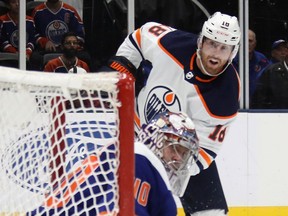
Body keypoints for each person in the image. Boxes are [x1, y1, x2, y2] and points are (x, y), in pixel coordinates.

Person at [108, 12, 241, 215]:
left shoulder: (227, 92)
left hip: (181, 154)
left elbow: (208, 149)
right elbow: (139, 37)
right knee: (127, 200)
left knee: (211, 213)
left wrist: (175, 168)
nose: (216, 53)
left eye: (224, 48)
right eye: (212, 44)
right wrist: (123, 72)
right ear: (201, 41)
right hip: (137, 132)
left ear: (233, 52)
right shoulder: (173, 44)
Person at [29, 111, 199, 215]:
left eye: (184, 154)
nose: (178, 159)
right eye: (175, 149)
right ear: (156, 140)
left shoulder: (144, 168)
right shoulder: (138, 158)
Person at [29, 0, 90, 70]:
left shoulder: (70, 11)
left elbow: (80, 35)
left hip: (68, 49)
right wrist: (44, 42)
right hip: (47, 50)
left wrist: (70, 44)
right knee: (35, 58)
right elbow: (32, 33)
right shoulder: (37, 11)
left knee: (85, 57)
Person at [0, 0, 38, 67]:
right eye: (13, 2)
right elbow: (3, 40)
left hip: (26, 54)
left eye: (19, 2)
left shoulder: (30, 21)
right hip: (9, 54)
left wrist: (27, 53)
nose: (17, 4)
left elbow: (32, 40)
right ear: (8, 5)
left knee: (36, 59)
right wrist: (15, 53)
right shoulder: (2, 20)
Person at [247, 29, 270, 102]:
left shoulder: (262, 59)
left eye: (250, 41)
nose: (247, 43)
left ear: (255, 44)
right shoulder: (230, 59)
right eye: (244, 40)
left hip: (257, 103)